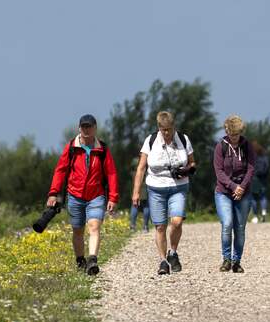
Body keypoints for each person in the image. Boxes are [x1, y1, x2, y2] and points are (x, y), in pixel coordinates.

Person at [46, 114, 119, 275]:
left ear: (95, 128)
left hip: (96, 195)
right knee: (78, 230)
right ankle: (80, 260)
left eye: (89, 126)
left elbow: (111, 173)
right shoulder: (72, 147)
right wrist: (53, 193)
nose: (86, 129)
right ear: (79, 128)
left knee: (94, 226)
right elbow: (60, 171)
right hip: (75, 195)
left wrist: (113, 197)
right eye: (84, 126)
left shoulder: (102, 149)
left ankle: (92, 260)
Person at [132, 111, 195, 275]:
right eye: (164, 130)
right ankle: (163, 261)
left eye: (169, 129)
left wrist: (188, 169)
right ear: (159, 128)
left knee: (177, 222)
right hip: (156, 188)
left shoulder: (183, 139)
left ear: (174, 127)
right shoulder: (150, 140)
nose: (167, 133)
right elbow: (141, 168)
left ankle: (173, 252)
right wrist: (136, 192)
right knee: (160, 226)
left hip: (178, 186)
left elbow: (192, 161)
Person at [213, 115, 255, 273]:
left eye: (237, 135)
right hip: (223, 192)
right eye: (232, 135)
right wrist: (232, 186)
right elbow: (219, 171)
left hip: (243, 192)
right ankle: (226, 259)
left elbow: (251, 168)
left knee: (240, 227)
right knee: (227, 224)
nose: (234, 138)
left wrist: (241, 187)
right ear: (227, 132)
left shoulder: (247, 146)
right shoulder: (220, 147)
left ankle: (237, 261)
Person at [249, 142, 270, 223]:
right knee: (263, 197)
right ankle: (264, 212)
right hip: (263, 180)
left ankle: (255, 217)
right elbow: (267, 168)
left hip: (253, 180)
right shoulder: (264, 157)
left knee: (253, 198)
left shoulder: (251, 158)